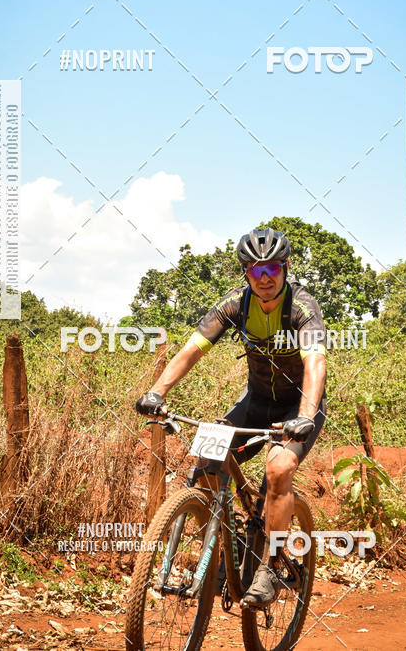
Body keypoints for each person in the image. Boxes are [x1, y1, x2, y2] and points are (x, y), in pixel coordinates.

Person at [135, 227, 327, 608]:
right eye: (256, 272)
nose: (265, 278)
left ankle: (271, 566)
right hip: (255, 402)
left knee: (277, 470)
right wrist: (157, 391)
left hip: (298, 407)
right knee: (207, 464)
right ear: (245, 275)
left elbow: (316, 364)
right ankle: (226, 551)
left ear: (286, 268)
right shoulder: (235, 304)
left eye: (272, 268)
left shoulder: (302, 307)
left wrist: (305, 415)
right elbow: (192, 349)